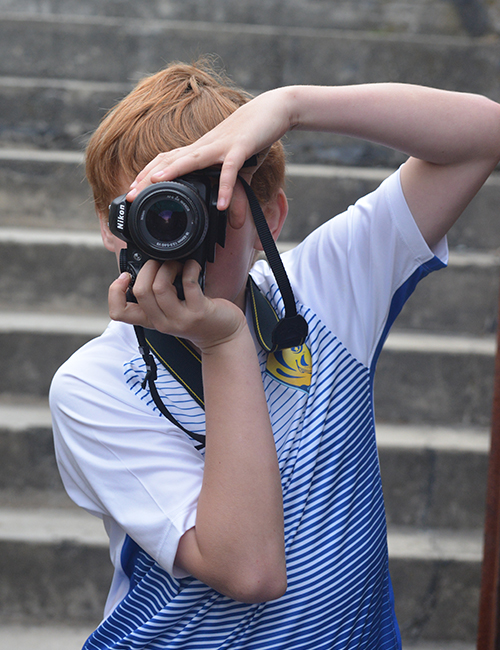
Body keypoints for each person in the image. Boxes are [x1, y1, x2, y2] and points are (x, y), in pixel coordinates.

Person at [49, 57, 500, 650]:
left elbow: (484, 134)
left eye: (212, 206)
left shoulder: (324, 293)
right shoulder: (95, 384)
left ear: (272, 218)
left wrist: (289, 107)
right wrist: (225, 341)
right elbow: (250, 569)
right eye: (155, 207)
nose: (182, 233)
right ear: (115, 226)